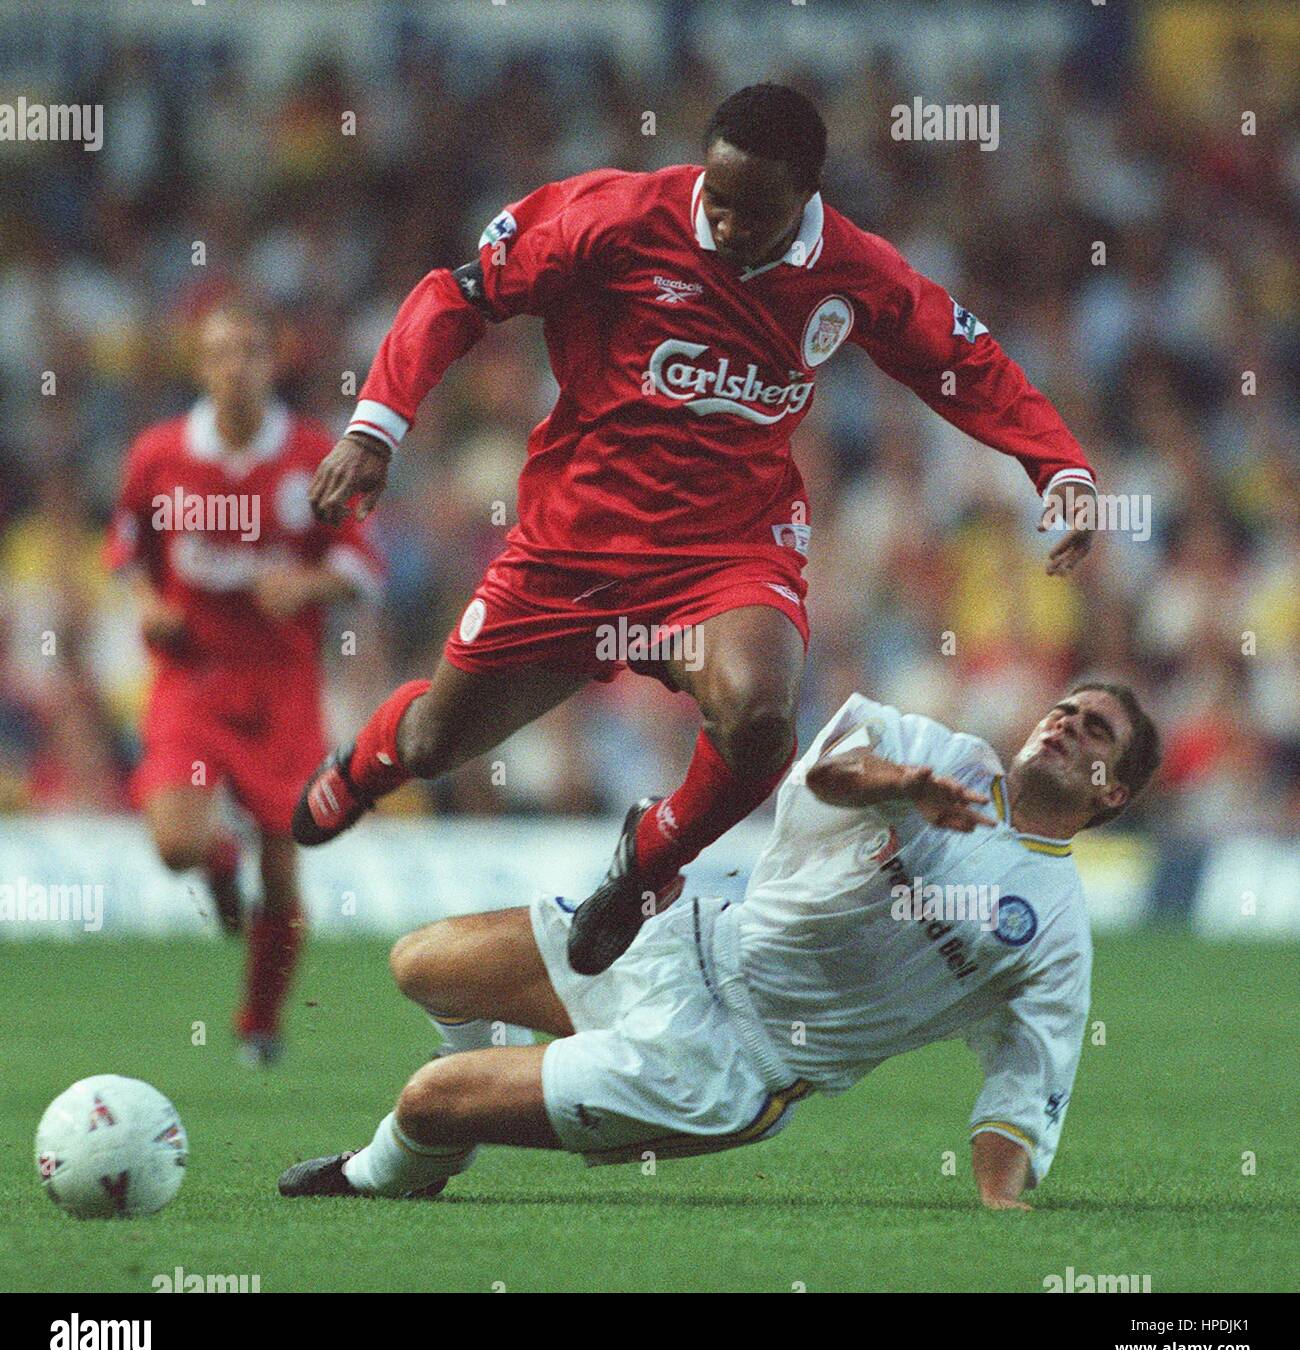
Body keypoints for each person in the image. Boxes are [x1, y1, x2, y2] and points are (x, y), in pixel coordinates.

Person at [296, 83, 1099, 976]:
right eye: (715, 198)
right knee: (435, 744)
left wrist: (1056, 465)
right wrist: (376, 428)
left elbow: (961, 359)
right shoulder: (614, 216)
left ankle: (648, 862)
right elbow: (457, 296)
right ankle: (366, 765)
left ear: (806, 198)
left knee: (760, 714)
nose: (724, 222)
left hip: (729, 553)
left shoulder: (853, 271)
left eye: (751, 211)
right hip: (572, 545)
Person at [279, 683, 1159, 1209]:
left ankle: (389, 1172)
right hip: (687, 940)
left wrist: (998, 1199)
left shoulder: (1054, 927)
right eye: (1066, 709)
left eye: (1095, 732)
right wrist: (903, 786)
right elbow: (821, 773)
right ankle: (478, 1111)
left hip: (726, 1064)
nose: (1066, 725)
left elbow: (1029, 1076)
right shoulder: (944, 755)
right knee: (419, 963)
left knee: (427, 1098)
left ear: (1112, 791)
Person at [107, 301, 382, 1064]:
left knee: (285, 857)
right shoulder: (160, 453)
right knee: (174, 844)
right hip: (192, 677)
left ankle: (259, 1019)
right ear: (202, 367)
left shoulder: (312, 456)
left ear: (274, 360)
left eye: (253, 351)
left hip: (281, 685)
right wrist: (148, 603)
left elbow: (363, 567)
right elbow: (127, 548)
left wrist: (310, 585)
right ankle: (215, 859)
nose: (237, 366)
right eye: (222, 353)